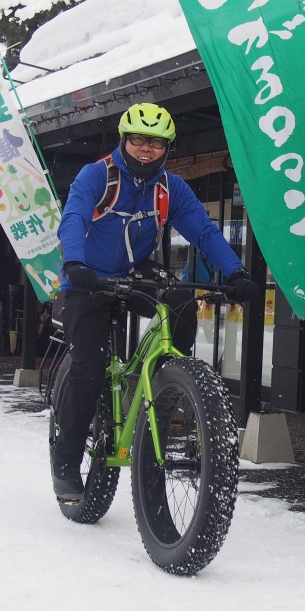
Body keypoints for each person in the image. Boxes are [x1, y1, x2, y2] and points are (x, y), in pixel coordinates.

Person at [51, 101, 262, 499]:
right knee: (89, 367)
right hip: (87, 278)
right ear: (124, 140)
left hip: (133, 273)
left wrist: (236, 272)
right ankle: (66, 459)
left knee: (181, 301)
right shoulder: (97, 175)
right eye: (138, 140)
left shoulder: (171, 188)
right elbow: (74, 218)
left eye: (157, 143)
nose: (146, 149)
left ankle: (164, 383)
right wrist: (75, 262)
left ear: (169, 147)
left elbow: (204, 232)